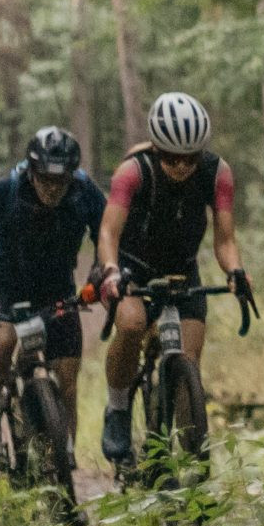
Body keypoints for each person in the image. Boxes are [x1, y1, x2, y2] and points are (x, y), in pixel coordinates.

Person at [0, 127, 108, 464]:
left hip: (58, 287)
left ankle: (65, 456)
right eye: (45, 180)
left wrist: (96, 280)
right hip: (6, 284)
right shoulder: (8, 190)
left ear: (72, 176)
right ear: (31, 172)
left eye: (61, 181)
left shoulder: (85, 192)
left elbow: (109, 236)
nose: (53, 189)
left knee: (67, 377)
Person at [92, 92, 249, 473]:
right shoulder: (133, 171)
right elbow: (108, 233)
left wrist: (235, 272)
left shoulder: (217, 172)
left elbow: (225, 240)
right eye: (171, 157)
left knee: (188, 361)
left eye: (190, 158)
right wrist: (110, 271)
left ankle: (187, 459)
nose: (181, 166)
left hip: (182, 271)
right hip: (128, 268)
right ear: (157, 148)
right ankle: (117, 409)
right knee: (131, 325)